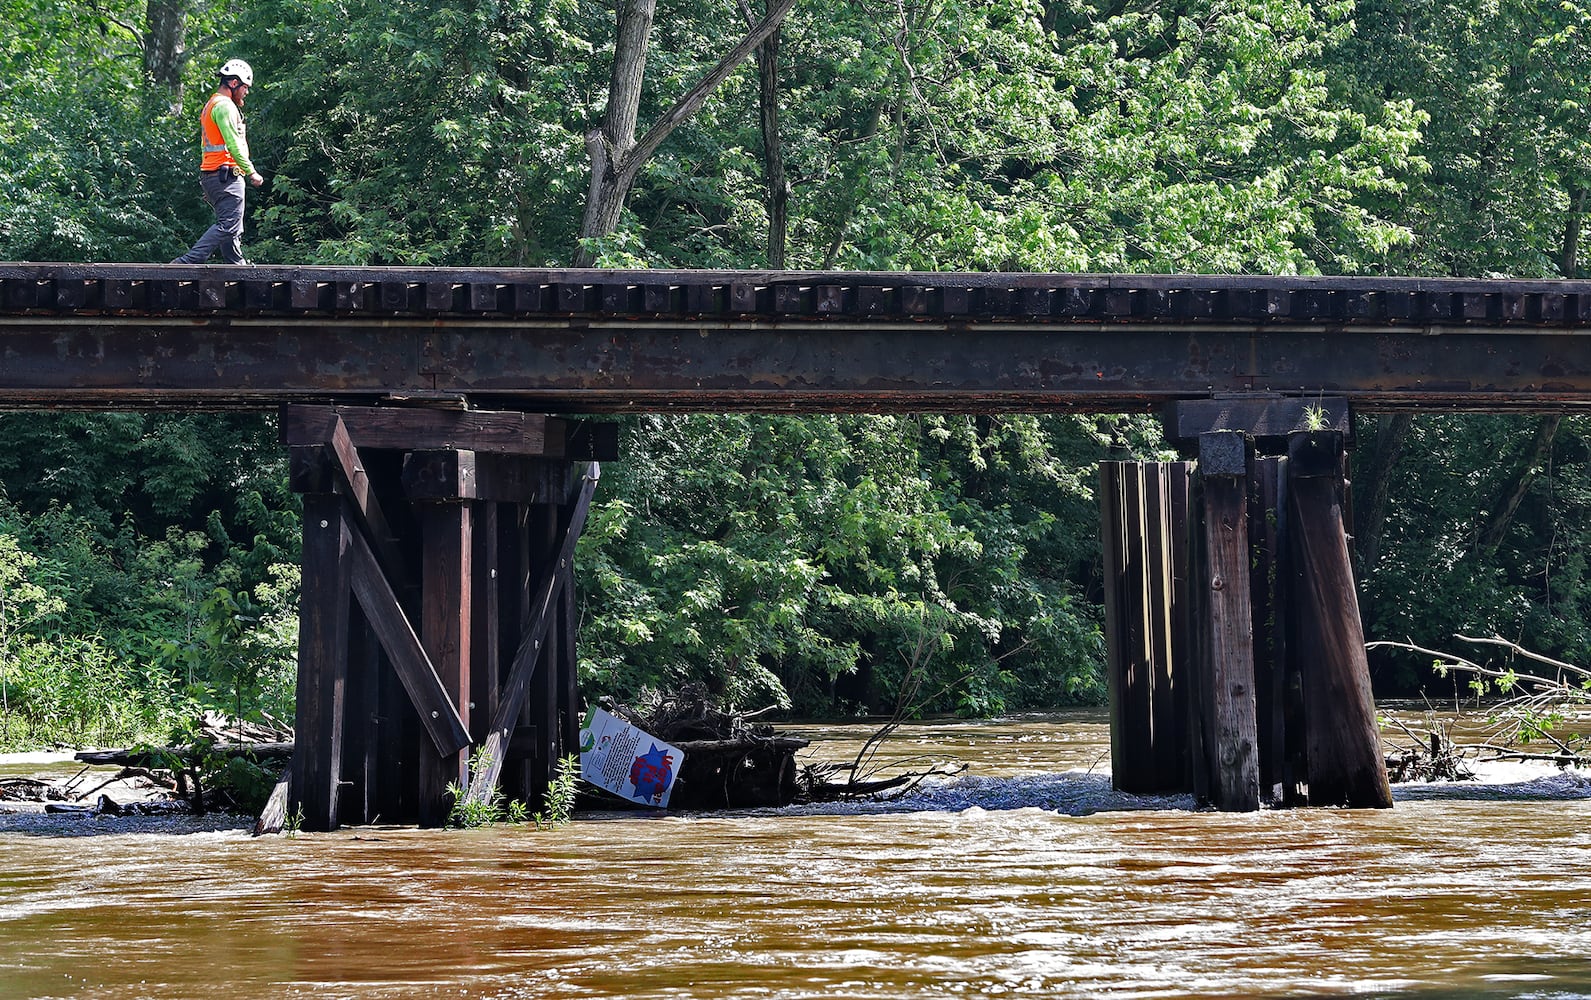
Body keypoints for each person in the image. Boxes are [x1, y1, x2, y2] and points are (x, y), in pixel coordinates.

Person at [172, 59, 266, 265]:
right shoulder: (224, 107)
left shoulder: (212, 104)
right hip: (226, 176)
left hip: (214, 175)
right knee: (229, 224)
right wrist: (251, 172)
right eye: (245, 87)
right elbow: (233, 145)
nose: (246, 93)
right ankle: (187, 262)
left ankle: (236, 265)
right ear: (233, 83)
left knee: (232, 226)